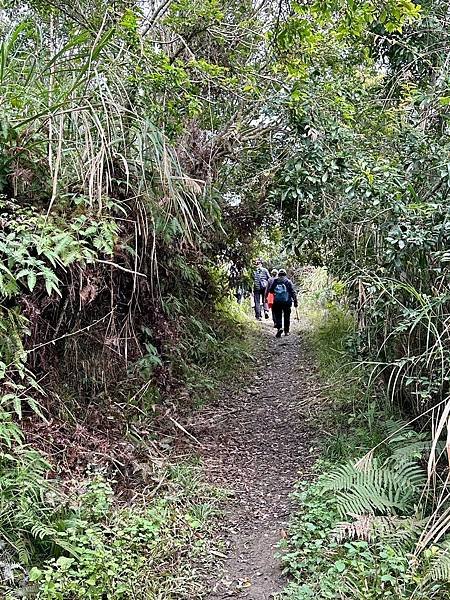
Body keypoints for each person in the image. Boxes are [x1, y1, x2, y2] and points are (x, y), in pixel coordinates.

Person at [266, 268, 298, 337]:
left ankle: (279, 328)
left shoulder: (275, 281)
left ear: (279, 274)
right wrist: (295, 301)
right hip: (287, 302)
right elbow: (293, 292)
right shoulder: (288, 282)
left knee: (278, 315)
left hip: (277, 302)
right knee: (287, 316)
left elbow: (271, 291)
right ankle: (286, 331)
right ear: (285, 274)